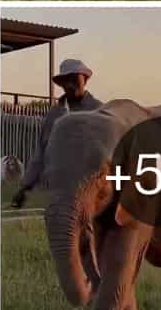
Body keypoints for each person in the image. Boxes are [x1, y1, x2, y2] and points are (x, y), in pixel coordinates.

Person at [10, 59, 102, 208]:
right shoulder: (54, 114)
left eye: (74, 79)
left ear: (84, 79)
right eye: (66, 81)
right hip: (60, 188)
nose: (70, 85)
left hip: (91, 188)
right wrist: (25, 188)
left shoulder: (99, 111)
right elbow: (41, 152)